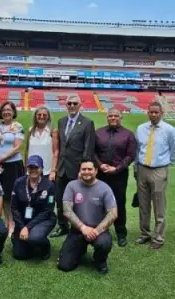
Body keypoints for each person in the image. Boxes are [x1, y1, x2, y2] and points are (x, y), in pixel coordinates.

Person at [134, 101, 175, 249]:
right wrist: (136, 167)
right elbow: (137, 149)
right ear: (147, 113)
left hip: (159, 170)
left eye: (156, 112)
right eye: (151, 112)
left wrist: (167, 163)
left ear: (161, 113)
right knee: (143, 204)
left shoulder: (169, 130)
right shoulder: (141, 128)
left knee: (159, 205)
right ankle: (144, 233)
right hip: (142, 168)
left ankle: (158, 237)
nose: (153, 114)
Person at [58, 159, 117, 274]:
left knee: (104, 243)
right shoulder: (72, 186)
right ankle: (80, 249)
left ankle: (100, 260)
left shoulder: (105, 188)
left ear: (96, 171)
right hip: (77, 230)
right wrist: (83, 228)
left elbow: (113, 213)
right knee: (64, 265)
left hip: (99, 231)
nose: (86, 172)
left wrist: (96, 231)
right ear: (80, 171)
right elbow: (67, 210)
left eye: (90, 169)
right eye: (83, 169)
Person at [52, 95, 96, 237]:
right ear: (66, 105)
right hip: (62, 168)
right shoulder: (61, 121)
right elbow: (60, 147)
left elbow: (88, 148)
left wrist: (83, 170)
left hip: (76, 169)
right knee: (59, 199)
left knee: (78, 200)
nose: (72, 106)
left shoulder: (87, 123)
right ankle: (62, 225)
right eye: (69, 103)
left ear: (79, 105)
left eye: (74, 103)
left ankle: (77, 227)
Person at [94, 108, 137, 247]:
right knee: (99, 202)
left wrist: (117, 168)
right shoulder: (98, 133)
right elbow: (92, 152)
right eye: (110, 116)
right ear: (107, 117)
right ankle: (100, 229)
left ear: (121, 118)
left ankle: (121, 232)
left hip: (119, 175)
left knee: (118, 203)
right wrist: (100, 165)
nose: (113, 118)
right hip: (101, 174)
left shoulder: (128, 135)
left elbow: (130, 156)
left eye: (116, 116)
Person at [0, 101, 25, 234]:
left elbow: (16, 148)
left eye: (9, 110)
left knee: (11, 195)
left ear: (13, 112)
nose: (6, 112)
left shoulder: (18, 126)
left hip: (12, 165)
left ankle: (13, 222)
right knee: (1, 194)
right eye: (4, 110)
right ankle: (6, 219)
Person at [10, 155, 56, 261]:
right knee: (19, 255)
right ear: (27, 168)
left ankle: (45, 247)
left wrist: (27, 228)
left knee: (34, 237)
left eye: (36, 167)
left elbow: (47, 211)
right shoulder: (19, 182)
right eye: (31, 167)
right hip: (24, 220)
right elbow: (14, 207)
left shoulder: (49, 186)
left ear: (41, 168)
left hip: (44, 219)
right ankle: (26, 241)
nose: (33, 170)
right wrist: (22, 226)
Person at [24, 106, 59, 181]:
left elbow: (56, 152)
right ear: (35, 116)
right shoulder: (31, 130)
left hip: (46, 171)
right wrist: (25, 167)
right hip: (31, 169)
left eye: (44, 115)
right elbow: (27, 150)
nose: (42, 117)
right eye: (39, 115)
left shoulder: (53, 131)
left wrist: (53, 170)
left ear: (48, 117)